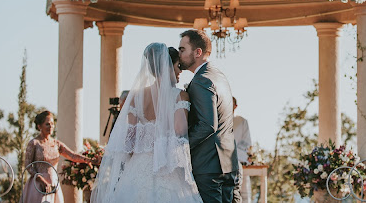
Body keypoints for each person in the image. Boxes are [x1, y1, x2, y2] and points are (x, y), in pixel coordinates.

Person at [91, 42, 202, 203]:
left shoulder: (136, 97)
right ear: (167, 67)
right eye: (178, 66)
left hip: (138, 166)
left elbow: (129, 139)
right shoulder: (180, 96)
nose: (180, 71)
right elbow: (179, 130)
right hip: (167, 167)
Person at [179, 29, 240, 203]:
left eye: (183, 49)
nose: (179, 53)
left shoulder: (201, 81)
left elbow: (207, 125)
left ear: (198, 52)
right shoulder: (219, 75)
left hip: (207, 166)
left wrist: (180, 147)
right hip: (228, 163)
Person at [21, 110, 94, 203]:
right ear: (39, 126)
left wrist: (89, 160)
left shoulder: (56, 143)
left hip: (54, 182)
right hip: (38, 185)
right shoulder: (34, 143)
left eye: (52, 123)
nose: (51, 126)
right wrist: (40, 179)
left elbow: (72, 155)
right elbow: (28, 165)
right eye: (47, 124)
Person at [233, 97, 252, 203]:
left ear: (236, 106)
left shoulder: (242, 121)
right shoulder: (218, 119)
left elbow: (246, 142)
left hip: (238, 159)